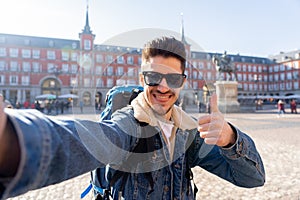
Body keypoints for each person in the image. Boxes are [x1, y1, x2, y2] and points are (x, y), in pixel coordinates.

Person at [0, 37, 265, 200]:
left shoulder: (187, 133)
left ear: (182, 83)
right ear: (141, 79)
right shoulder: (128, 125)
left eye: (172, 78)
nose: (163, 86)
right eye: (153, 77)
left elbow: (253, 178)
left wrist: (231, 139)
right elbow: (84, 141)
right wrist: (10, 140)